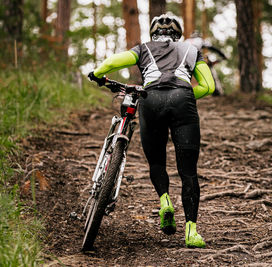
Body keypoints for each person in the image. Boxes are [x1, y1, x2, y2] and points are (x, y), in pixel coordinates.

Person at [88, 14, 215, 248]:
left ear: (153, 32)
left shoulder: (143, 48)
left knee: (157, 162)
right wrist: (185, 95)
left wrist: (97, 73)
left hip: (150, 100)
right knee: (188, 171)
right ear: (177, 33)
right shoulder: (191, 50)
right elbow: (209, 86)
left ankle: (165, 202)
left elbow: (113, 62)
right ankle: (191, 232)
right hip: (182, 102)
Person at [185, 31, 227, 96]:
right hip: (194, 57)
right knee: (209, 68)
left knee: (185, 78)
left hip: (183, 59)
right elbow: (212, 48)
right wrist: (222, 55)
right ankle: (216, 92)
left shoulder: (186, 40)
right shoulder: (200, 40)